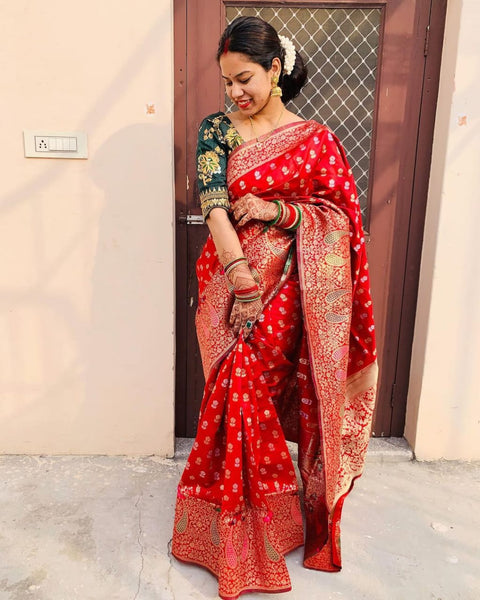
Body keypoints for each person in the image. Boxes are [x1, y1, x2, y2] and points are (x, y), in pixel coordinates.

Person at [172, 16, 378, 600]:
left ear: (275, 71)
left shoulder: (315, 139)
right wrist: (239, 276)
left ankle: (264, 519)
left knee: (255, 397)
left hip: (290, 294)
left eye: (245, 79)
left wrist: (279, 212)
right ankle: (223, 521)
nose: (235, 93)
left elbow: (341, 221)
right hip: (227, 283)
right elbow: (214, 203)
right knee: (226, 394)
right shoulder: (218, 130)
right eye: (227, 82)